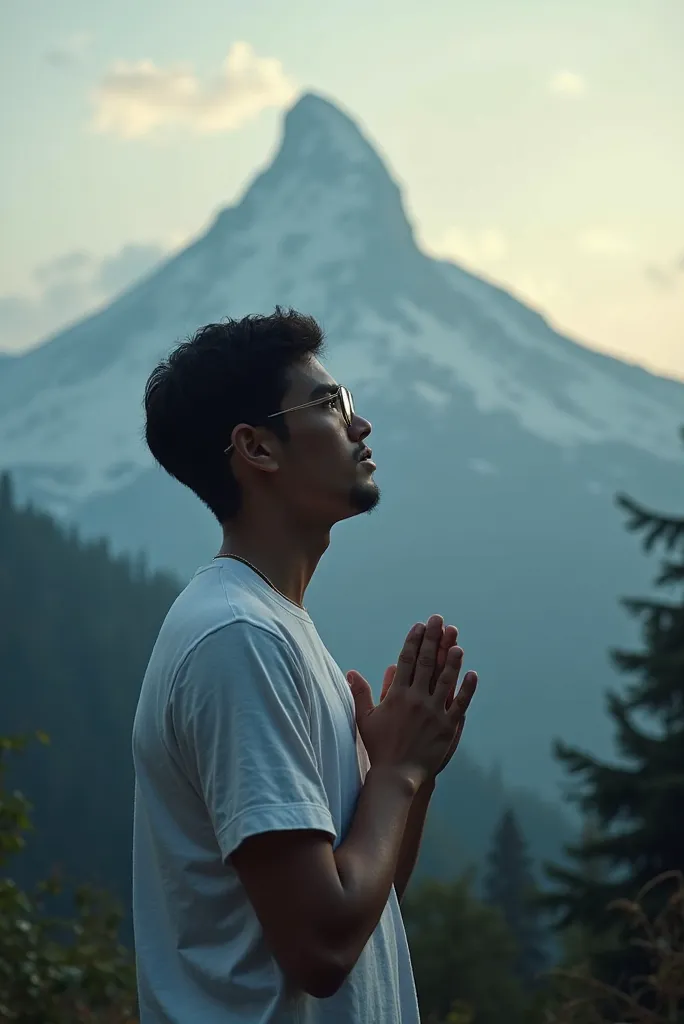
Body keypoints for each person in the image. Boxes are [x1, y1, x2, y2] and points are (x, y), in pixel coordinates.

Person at [133, 307, 478, 1023]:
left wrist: (410, 777)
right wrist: (395, 773)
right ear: (256, 448)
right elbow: (319, 951)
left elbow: (361, 914)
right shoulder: (237, 638)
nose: (360, 424)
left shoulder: (276, 628)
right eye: (329, 404)